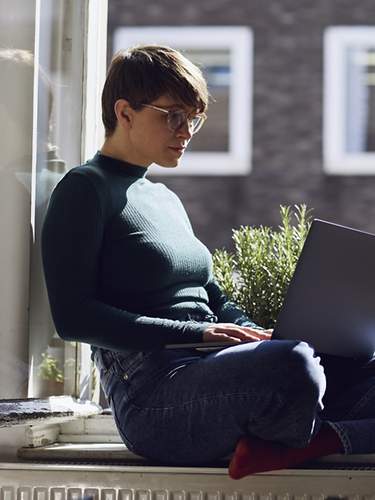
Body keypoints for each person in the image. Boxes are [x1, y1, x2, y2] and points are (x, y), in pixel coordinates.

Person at [41, 45, 375, 478]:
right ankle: (318, 438)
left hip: (215, 371)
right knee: (293, 365)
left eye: (193, 118)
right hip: (154, 393)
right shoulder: (83, 189)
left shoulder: (164, 198)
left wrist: (264, 332)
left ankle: (312, 442)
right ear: (124, 113)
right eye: (173, 115)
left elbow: (212, 295)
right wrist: (202, 332)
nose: (187, 131)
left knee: (336, 360)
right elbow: (73, 318)